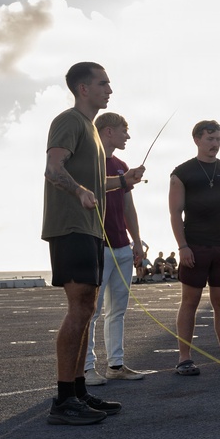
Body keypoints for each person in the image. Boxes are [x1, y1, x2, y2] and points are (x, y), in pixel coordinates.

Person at [43, 62, 143, 424]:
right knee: (80, 308)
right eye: (103, 83)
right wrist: (80, 189)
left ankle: (79, 392)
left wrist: (124, 181)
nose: (110, 90)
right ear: (83, 88)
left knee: (86, 309)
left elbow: (97, 185)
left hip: (88, 229)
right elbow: (54, 169)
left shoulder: (90, 130)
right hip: (70, 227)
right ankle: (63, 400)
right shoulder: (70, 121)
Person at [169, 120, 220, 375]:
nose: (215, 144)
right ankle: (184, 358)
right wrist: (182, 247)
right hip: (194, 246)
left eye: (218, 139)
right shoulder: (181, 173)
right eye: (210, 139)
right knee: (189, 301)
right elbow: (175, 214)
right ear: (197, 140)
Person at [83, 112, 146, 386]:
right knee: (91, 311)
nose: (128, 136)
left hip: (122, 246)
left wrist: (138, 242)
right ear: (108, 131)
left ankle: (116, 365)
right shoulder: (89, 161)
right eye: (124, 130)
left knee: (117, 310)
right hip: (98, 245)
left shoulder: (121, 164)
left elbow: (129, 208)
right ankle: (85, 369)